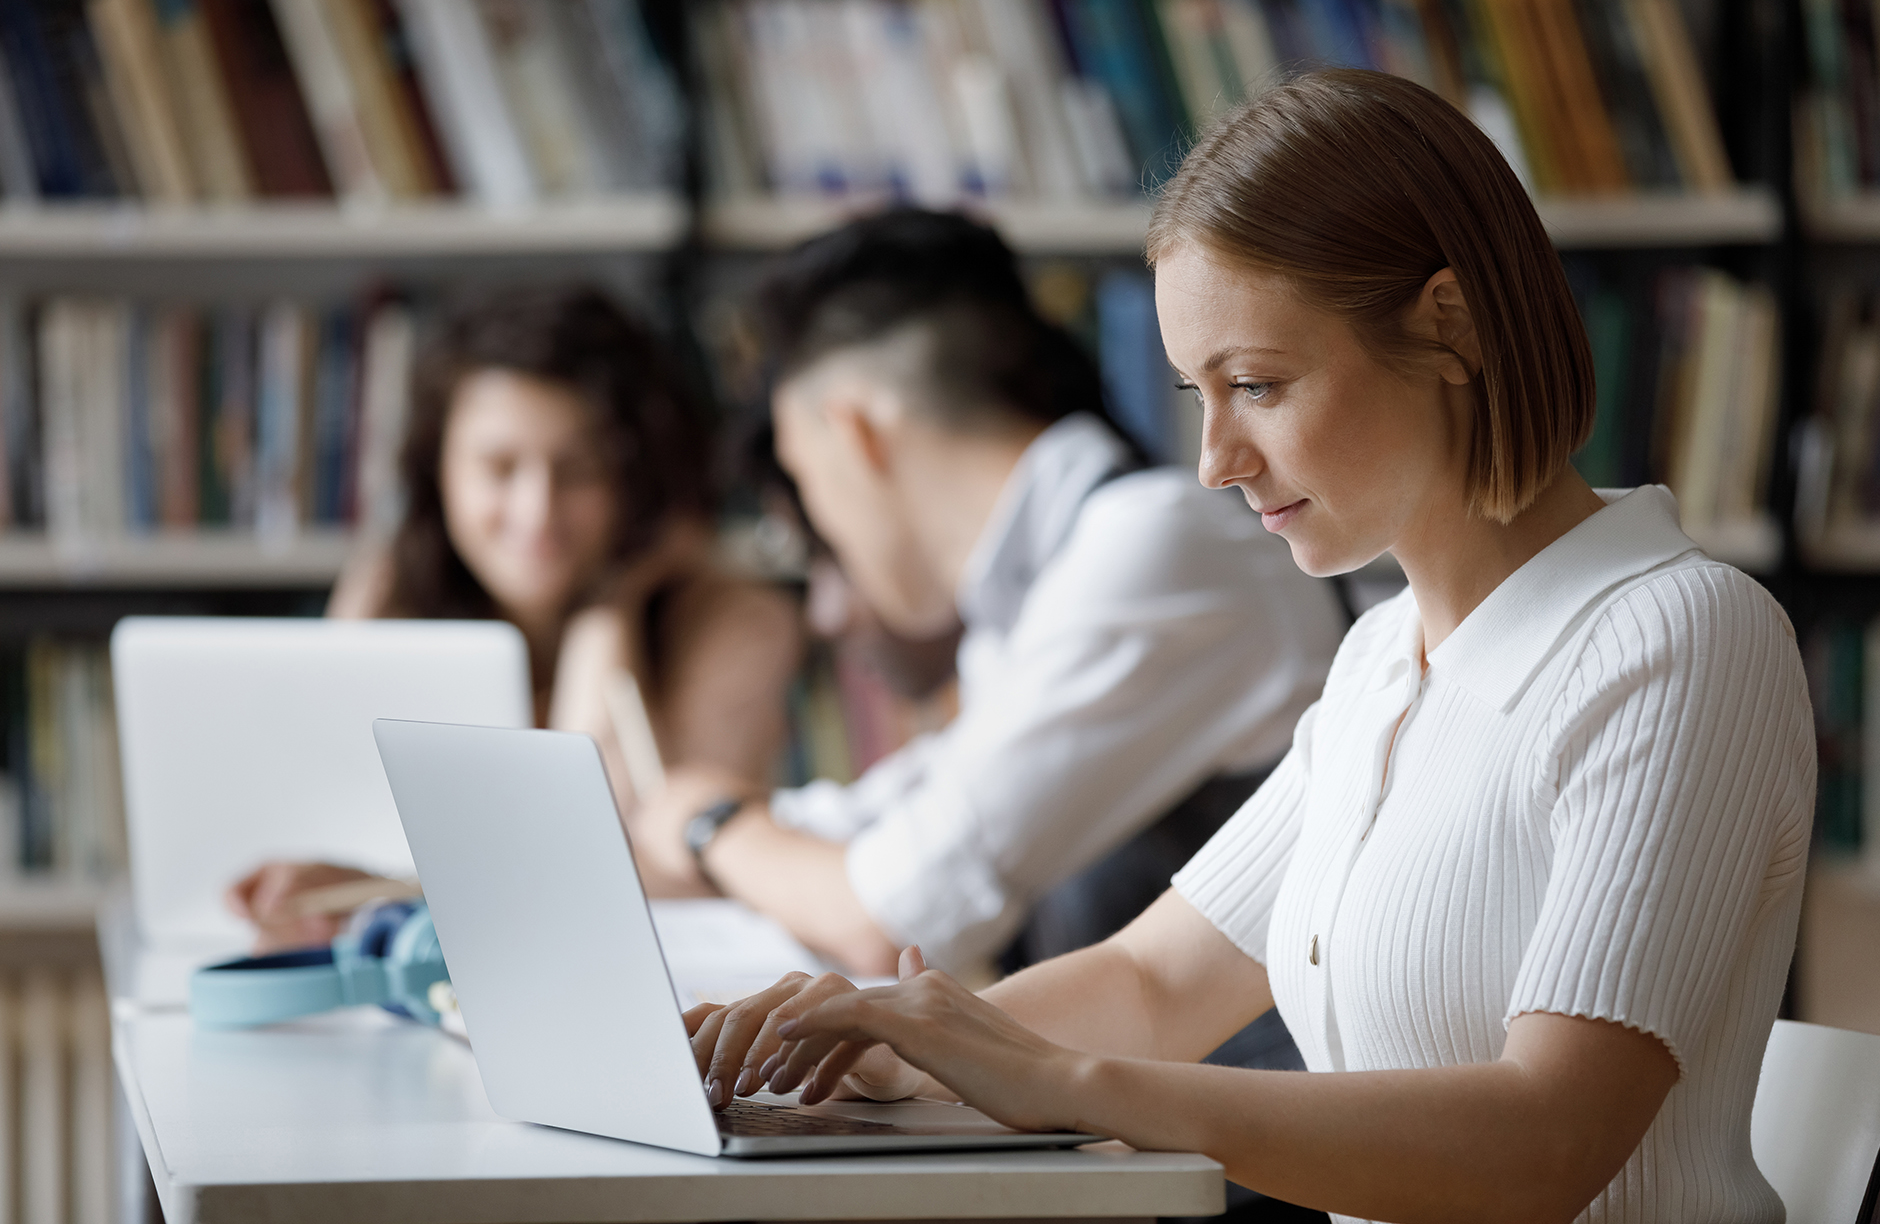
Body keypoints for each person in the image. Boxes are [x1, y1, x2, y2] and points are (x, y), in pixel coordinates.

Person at [680, 70, 1815, 1224]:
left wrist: (1063, 1087)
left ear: (1450, 324)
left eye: (1256, 385)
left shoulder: (1678, 638)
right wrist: (858, 1043)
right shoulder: (1382, 659)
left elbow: (1548, 1139)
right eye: (1197, 394)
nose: (1215, 458)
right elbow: (1149, 978)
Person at [633, 209, 1347, 994]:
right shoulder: (1030, 591)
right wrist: (704, 827)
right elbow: (893, 823)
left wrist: (708, 823)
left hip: (1264, 1102)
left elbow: (891, 915)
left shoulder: (1161, 545)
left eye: (803, 477)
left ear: (855, 431)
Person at [227, 286, 802, 951]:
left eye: (580, 469)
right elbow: (335, 812)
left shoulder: (738, 618)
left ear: (637, 476)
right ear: (437, 468)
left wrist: (607, 608)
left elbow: (625, 863)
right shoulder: (390, 593)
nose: (537, 512)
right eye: (498, 467)